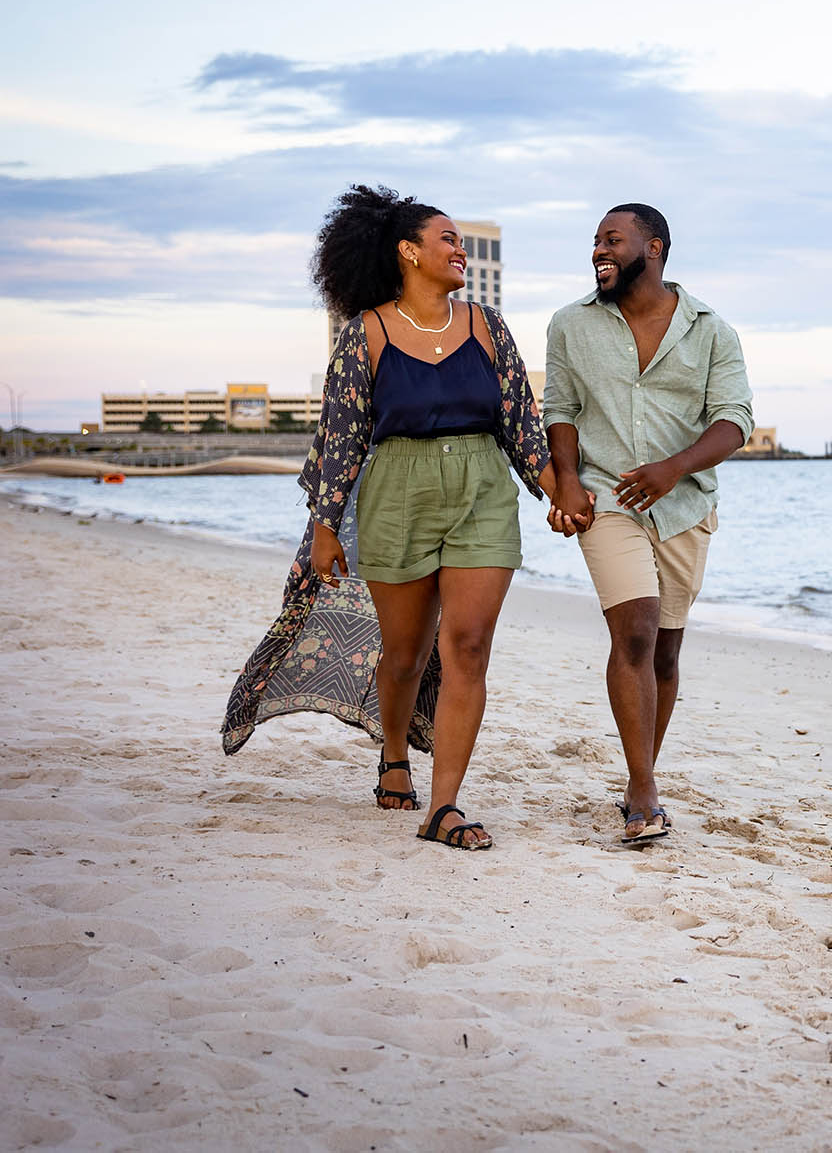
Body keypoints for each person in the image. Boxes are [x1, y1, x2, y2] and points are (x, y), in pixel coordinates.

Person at [223, 184, 573, 852]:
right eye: (446, 238)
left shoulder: (487, 326)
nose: (458, 249)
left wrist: (557, 489)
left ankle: (444, 806)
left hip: (480, 491)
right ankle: (392, 751)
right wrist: (325, 527)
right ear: (408, 252)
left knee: (466, 645)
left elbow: (522, 424)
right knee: (406, 655)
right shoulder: (367, 334)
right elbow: (342, 437)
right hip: (396, 494)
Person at [542, 203, 753, 845]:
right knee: (632, 632)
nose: (599, 251)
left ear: (653, 248)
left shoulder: (712, 331)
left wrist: (675, 468)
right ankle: (642, 789)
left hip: (686, 504)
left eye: (613, 240)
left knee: (664, 649)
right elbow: (560, 407)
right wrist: (569, 480)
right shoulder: (570, 325)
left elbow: (735, 419)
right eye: (596, 242)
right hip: (608, 498)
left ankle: (641, 769)